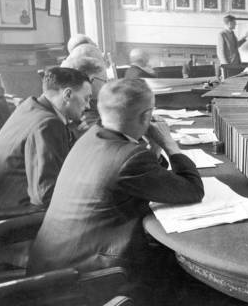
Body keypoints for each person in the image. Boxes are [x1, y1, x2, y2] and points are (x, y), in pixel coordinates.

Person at [27, 78, 204, 275]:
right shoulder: (131, 158)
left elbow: (144, 176)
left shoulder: (93, 135)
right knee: (188, 273)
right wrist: (170, 144)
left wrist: (154, 147)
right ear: (147, 116)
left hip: (54, 262)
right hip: (90, 275)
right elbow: (193, 190)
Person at [0, 67, 91, 216]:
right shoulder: (48, 124)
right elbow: (45, 193)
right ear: (67, 94)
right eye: (86, 98)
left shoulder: (30, 106)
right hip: (17, 212)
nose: (88, 106)